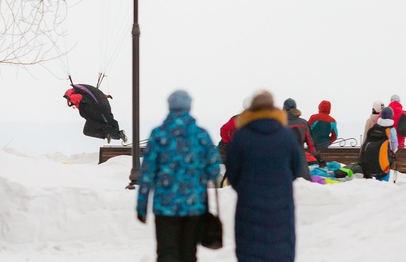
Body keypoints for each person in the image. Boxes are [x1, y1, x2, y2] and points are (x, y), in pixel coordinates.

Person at [136, 90, 221, 262]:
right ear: (190, 106)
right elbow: (214, 170)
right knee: (188, 253)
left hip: (165, 206)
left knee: (167, 252)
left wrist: (142, 206)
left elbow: (147, 173)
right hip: (193, 205)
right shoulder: (201, 135)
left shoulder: (158, 135)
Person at [226, 90, 301, 262]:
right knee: (280, 248)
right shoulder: (286, 135)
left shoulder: (242, 136)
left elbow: (232, 171)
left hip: (249, 204)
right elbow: (296, 168)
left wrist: (245, 188)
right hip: (281, 204)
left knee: (250, 250)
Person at [283, 98, 325, 181]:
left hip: (284, 158)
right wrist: (319, 158)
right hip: (300, 159)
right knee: (304, 183)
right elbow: (311, 143)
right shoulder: (303, 123)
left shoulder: (279, 123)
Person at [359, 106, 398, 181]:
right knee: (383, 173)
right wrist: (394, 150)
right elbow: (394, 143)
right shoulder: (391, 129)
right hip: (385, 155)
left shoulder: (375, 127)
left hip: (372, 156)